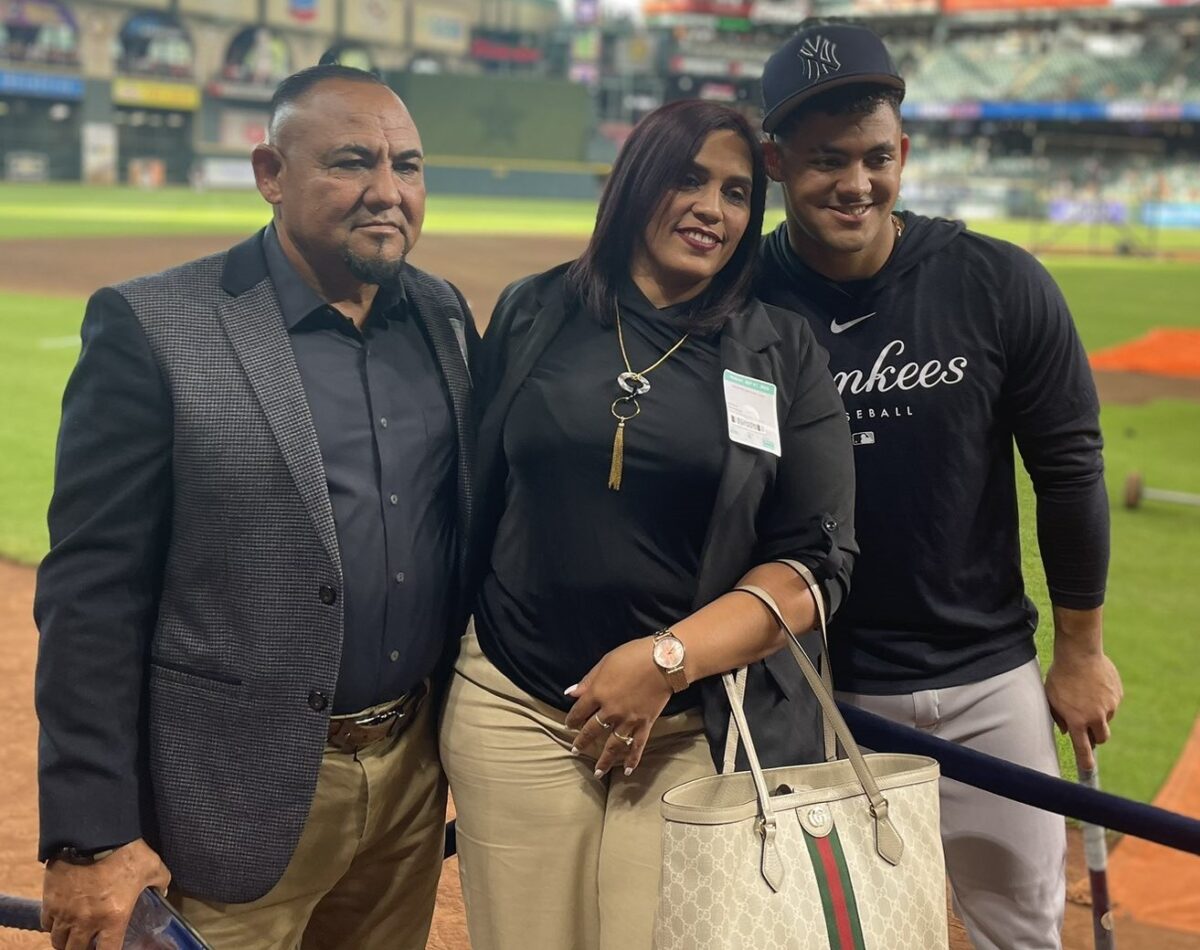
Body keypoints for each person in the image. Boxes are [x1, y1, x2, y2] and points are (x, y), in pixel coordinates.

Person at [34, 64, 474, 950]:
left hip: (411, 782)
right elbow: (92, 592)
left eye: (409, 166)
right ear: (270, 173)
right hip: (230, 798)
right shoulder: (155, 326)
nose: (387, 192)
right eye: (352, 162)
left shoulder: (441, 314)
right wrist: (90, 834)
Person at [439, 98, 857, 950]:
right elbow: (474, 492)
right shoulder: (534, 310)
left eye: (737, 193)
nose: (713, 206)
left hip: (684, 731)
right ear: (636, 182)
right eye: (688, 177)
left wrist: (667, 663)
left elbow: (817, 562)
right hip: (514, 707)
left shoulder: (780, 351)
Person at [755, 22, 1124, 950]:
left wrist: (1079, 652)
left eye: (877, 157)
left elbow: (1069, 467)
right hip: (818, 680)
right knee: (848, 932)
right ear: (775, 163)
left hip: (987, 675)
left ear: (905, 153)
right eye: (824, 160)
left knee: (1021, 929)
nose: (855, 183)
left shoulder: (997, 283)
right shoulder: (740, 295)